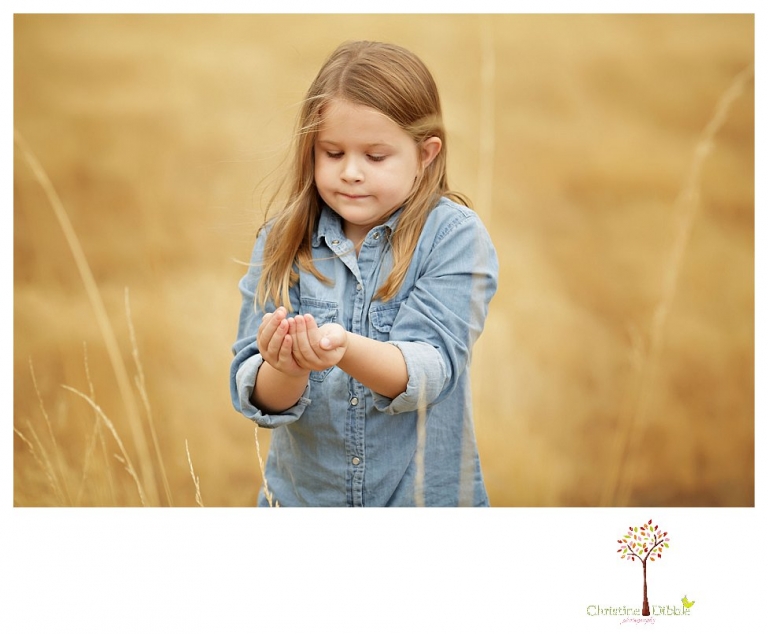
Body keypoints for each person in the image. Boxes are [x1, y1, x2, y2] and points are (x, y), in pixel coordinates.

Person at [230, 40, 498, 507]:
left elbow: (430, 368)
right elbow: (256, 395)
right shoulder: (283, 241)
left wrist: (342, 348)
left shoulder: (454, 238)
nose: (351, 172)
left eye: (375, 157)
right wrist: (285, 367)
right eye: (332, 153)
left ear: (426, 154)